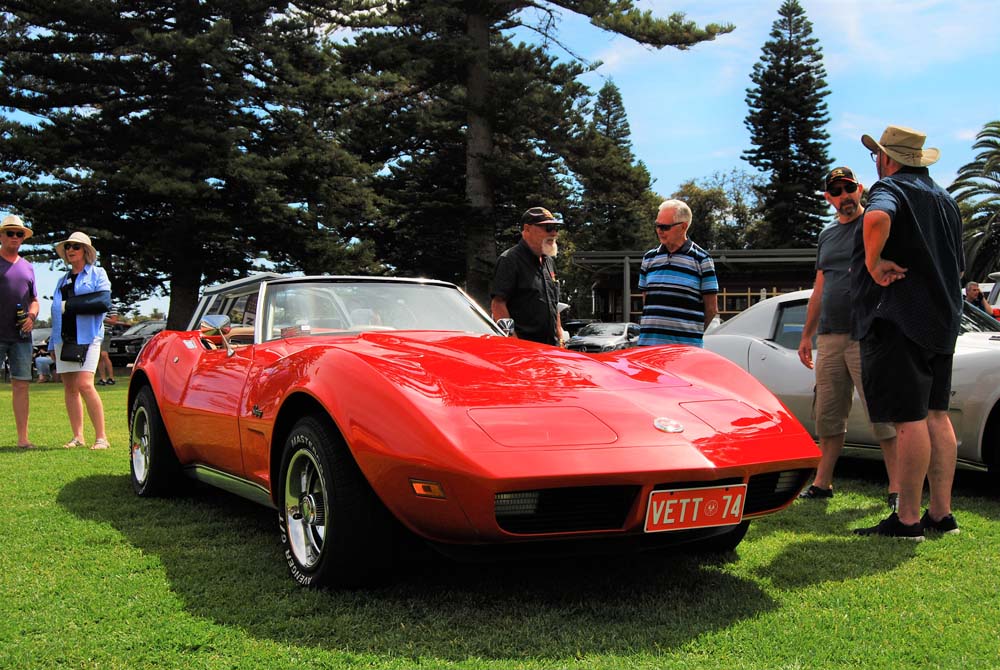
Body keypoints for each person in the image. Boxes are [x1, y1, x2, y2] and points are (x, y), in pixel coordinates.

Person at [852, 125, 963, 540]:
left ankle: (908, 519)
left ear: (887, 158)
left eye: (877, 156)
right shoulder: (946, 200)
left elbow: (877, 217)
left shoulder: (890, 189)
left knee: (909, 420)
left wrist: (873, 262)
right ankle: (942, 514)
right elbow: (959, 266)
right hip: (944, 319)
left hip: (902, 319)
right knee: (937, 414)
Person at [797, 168, 898, 505]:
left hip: (867, 333)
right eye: (837, 191)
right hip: (829, 336)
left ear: (860, 189)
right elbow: (820, 287)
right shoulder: (826, 235)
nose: (844, 196)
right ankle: (822, 483)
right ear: (828, 198)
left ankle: (898, 488)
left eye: (849, 188)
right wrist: (806, 335)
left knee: (882, 414)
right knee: (827, 415)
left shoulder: (875, 223)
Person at [49, 232, 113, 450]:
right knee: (69, 387)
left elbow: (103, 302)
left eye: (75, 246)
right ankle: (78, 437)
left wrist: (69, 305)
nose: (70, 250)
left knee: (85, 384)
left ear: (85, 251)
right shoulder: (62, 280)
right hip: (64, 338)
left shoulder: (98, 273)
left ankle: (101, 438)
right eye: (68, 246)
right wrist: (52, 343)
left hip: (89, 337)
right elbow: (56, 312)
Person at [637, 199, 718, 347]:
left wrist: (693, 336)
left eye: (665, 227)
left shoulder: (702, 259)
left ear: (683, 227)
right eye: (657, 225)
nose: (659, 231)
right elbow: (647, 302)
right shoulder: (648, 258)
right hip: (649, 348)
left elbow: (712, 309)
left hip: (684, 351)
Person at [490, 207, 563, 346]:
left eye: (555, 228)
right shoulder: (510, 259)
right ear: (527, 229)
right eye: (548, 228)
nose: (554, 233)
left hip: (551, 348)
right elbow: (498, 304)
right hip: (524, 348)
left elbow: (554, 305)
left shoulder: (549, 261)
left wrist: (560, 338)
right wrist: (513, 342)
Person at [0, 214, 41, 449]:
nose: (15, 237)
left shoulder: (28, 267)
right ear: (1, 236)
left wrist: (32, 317)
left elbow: (34, 300)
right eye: (10, 233)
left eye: (19, 234)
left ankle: (23, 439)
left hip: (21, 337)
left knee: (22, 385)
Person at [96, 305, 119, 385]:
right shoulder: (96, 305)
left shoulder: (111, 307)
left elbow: (113, 321)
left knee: (104, 354)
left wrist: (101, 318)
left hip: (106, 332)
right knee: (99, 356)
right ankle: (103, 379)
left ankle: (111, 378)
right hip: (96, 332)